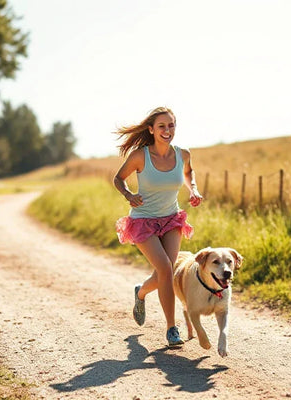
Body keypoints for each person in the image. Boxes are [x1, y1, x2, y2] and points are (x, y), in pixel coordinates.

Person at [113, 106, 203, 347]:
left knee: (166, 271)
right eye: (162, 126)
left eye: (171, 125)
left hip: (171, 218)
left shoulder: (182, 153)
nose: (167, 130)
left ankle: (140, 292)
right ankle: (172, 328)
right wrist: (128, 194)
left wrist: (193, 188)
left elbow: (188, 171)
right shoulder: (140, 156)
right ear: (151, 130)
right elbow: (118, 178)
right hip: (143, 220)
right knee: (164, 267)